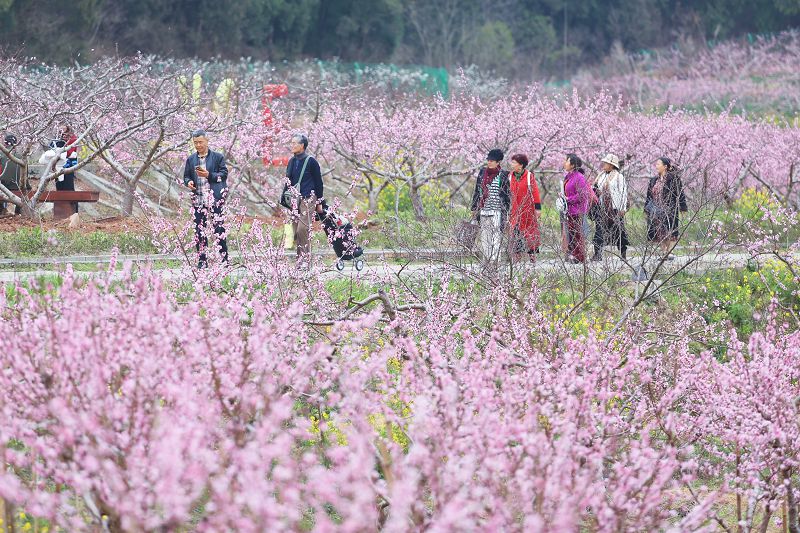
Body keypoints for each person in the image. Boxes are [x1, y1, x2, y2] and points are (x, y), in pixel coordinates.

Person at [183, 129, 229, 268]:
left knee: (218, 229)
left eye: (200, 142)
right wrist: (189, 182)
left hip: (215, 198)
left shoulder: (217, 157)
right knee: (199, 230)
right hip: (198, 198)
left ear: (207, 141)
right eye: (195, 142)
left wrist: (209, 175)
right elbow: (186, 176)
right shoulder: (191, 159)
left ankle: (224, 259)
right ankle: (202, 260)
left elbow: (224, 174)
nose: (198, 145)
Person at [285, 133, 323, 265]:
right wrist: (285, 200)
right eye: (291, 143)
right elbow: (288, 181)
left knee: (303, 229)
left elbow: (319, 182)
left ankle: (305, 259)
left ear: (302, 145)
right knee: (294, 230)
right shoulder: (292, 161)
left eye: (294, 143)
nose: (292, 145)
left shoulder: (311, 161)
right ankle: (300, 260)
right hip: (294, 200)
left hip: (308, 198)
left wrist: (319, 202)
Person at [470, 148, 511, 268]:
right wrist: (474, 208)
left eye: (492, 161)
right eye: (488, 160)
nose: (489, 162)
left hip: (497, 210)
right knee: (485, 237)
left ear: (498, 162)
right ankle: (486, 260)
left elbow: (507, 195)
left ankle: (495, 261)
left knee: (496, 237)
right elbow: (477, 191)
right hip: (483, 210)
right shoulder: (482, 173)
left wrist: (507, 211)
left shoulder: (503, 175)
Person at [645, 157, 688, 260]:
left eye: (658, 164)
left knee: (670, 231)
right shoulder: (653, 180)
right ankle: (664, 252)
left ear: (665, 166)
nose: (656, 166)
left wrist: (683, 207)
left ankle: (669, 252)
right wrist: (646, 209)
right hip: (655, 210)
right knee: (659, 231)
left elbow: (680, 194)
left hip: (669, 209)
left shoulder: (673, 179)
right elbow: (649, 196)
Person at [591, 153, 629, 261]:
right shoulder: (601, 176)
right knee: (599, 231)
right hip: (602, 208)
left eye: (606, 163)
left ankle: (623, 253)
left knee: (619, 231)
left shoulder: (619, 177)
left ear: (612, 165)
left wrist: (623, 208)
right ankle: (597, 254)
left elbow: (623, 193)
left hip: (615, 208)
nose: (604, 164)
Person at [508, 153, 541, 263]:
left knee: (530, 233)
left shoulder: (528, 176)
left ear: (521, 165)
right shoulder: (510, 176)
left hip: (528, 210)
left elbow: (535, 192)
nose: (512, 164)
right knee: (515, 233)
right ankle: (517, 258)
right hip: (515, 211)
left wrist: (537, 208)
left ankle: (532, 256)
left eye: (514, 163)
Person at [560, 153, 590, 264]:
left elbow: (583, 195)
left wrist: (568, 199)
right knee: (572, 234)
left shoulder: (579, 177)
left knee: (577, 234)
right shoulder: (568, 176)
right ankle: (574, 255)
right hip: (569, 210)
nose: (564, 162)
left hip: (578, 210)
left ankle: (580, 257)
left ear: (572, 165)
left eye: (566, 161)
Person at [0, 134, 23, 214]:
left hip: (4, 186)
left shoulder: (1, 154)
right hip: (18, 186)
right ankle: (18, 212)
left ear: (5, 143)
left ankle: (2, 210)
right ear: (16, 144)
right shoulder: (21, 156)